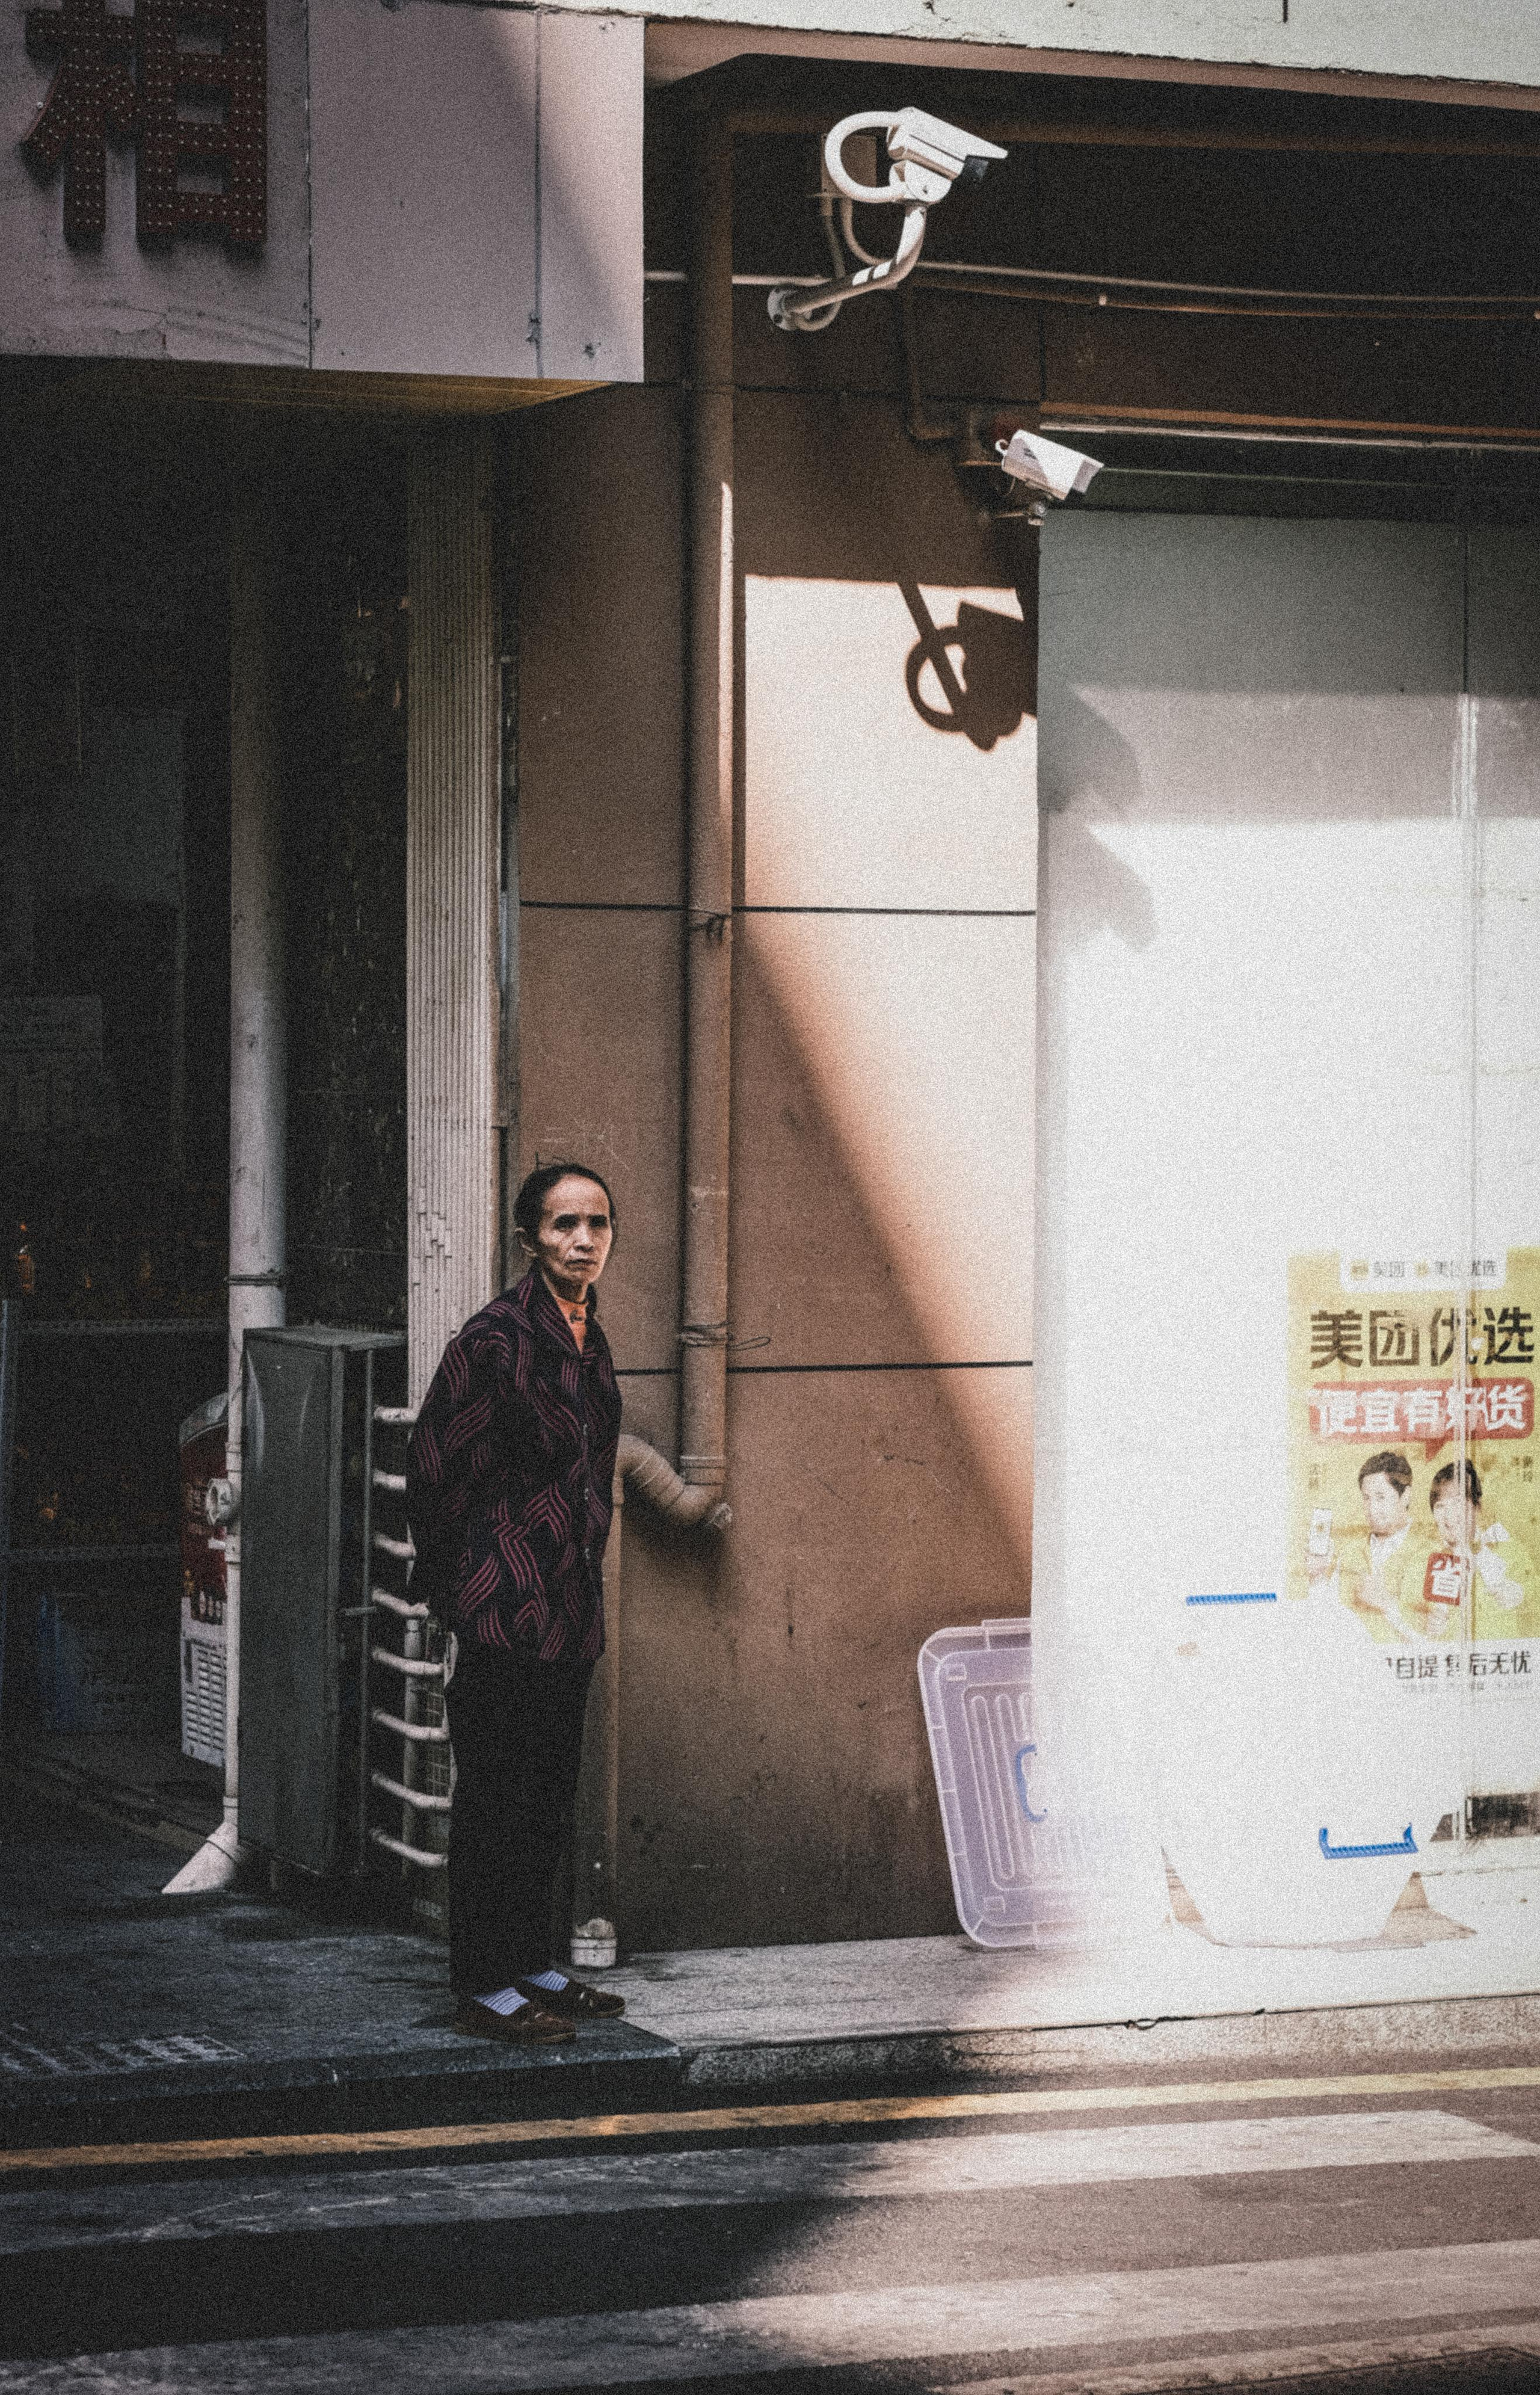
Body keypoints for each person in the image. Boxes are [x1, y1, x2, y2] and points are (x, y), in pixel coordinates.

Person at [407, 1162, 627, 2044]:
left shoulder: (588, 1339)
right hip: (501, 1605)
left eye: (598, 1223)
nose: (584, 1239)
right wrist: (457, 1590)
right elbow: (432, 1468)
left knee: (546, 1795)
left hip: (568, 1609)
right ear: (530, 1237)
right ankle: (483, 1985)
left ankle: (532, 1965)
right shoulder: (493, 1340)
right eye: (565, 1223)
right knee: (495, 1798)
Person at [1306, 1449, 1432, 1644]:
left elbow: (1443, 1639)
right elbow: (1324, 1623)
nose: (1372, 1509)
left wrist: (1388, 1605)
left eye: (1381, 1497)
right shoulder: (1350, 1553)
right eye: (1367, 1498)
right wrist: (1317, 1578)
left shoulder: (1431, 1554)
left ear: (1406, 1496)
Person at [1423, 1457, 1539, 1641]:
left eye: (1457, 1504)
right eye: (1440, 1507)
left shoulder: (1508, 1550)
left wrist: (1520, 1595)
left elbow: (1534, 1598)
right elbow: (1408, 1610)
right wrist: (1424, 1622)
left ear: (1477, 1507)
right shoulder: (1423, 1561)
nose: (1448, 1516)